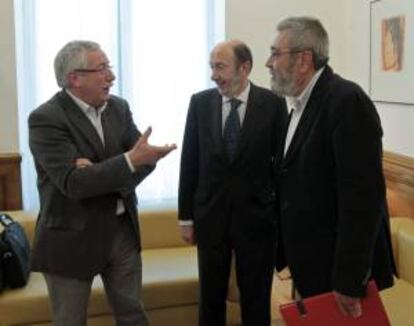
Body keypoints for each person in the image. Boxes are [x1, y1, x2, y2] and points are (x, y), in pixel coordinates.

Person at [28, 40, 176, 326]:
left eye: (109, 67)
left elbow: (140, 160)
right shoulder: (46, 118)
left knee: (133, 315)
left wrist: (103, 169)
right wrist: (126, 162)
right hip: (70, 237)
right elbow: (73, 183)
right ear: (75, 78)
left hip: (121, 232)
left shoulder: (118, 108)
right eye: (102, 69)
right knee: (70, 321)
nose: (111, 77)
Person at [266, 16, 395, 317]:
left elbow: (362, 200)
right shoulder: (298, 104)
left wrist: (349, 279)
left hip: (337, 271)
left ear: (303, 60)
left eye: (275, 53)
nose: (269, 62)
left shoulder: (347, 102)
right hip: (311, 264)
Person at [178, 39, 287, 326]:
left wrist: (280, 216)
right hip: (210, 216)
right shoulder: (199, 103)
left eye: (220, 67)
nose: (214, 74)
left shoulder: (273, 104)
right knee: (211, 296)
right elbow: (189, 162)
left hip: (257, 220)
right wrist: (185, 218)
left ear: (245, 67)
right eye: (212, 66)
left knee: (256, 295)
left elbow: (282, 166)